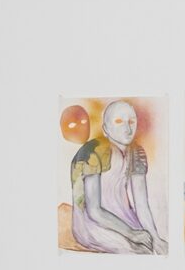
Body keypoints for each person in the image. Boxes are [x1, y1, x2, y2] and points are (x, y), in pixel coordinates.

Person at [68, 99, 165, 254]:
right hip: (93, 224)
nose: (127, 129)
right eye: (119, 122)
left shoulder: (136, 152)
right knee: (137, 251)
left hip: (125, 218)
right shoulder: (94, 151)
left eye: (131, 122)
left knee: (152, 247)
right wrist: (131, 233)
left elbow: (141, 204)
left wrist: (156, 237)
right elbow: (94, 211)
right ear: (105, 129)